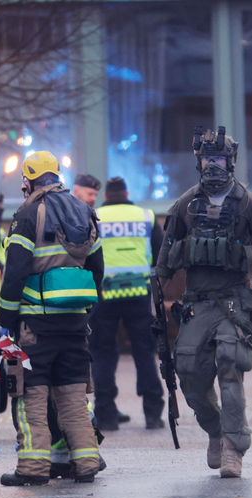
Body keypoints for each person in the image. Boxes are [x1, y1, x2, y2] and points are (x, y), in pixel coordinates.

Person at [155, 126, 252, 479]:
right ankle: (216, 431)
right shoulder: (186, 204)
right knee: (189, 376)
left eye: (218, 159)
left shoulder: (248, 204)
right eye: (206, 159)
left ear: (230, 162)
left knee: (230, 368)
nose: (212, 166)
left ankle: (233, 447)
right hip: (197, 303)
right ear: (198, 162)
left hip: (235, 302)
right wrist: (154, 293)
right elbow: (167, 256)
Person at [0, 150, 104, 486]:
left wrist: (6, 318)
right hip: (74, 323)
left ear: (28, 181)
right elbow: (97, 269)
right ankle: (86, 464)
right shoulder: (85, 211)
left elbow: (14, 272)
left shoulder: (28, 214)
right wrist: (84, 309)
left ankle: (32, 469)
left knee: (31, 399)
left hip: (35, 326)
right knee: (73, 397)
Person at [88, 176, 165, 431]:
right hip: (138, 293)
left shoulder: (94, 216)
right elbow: (160, 253)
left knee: (103, 354)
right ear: (127, 193)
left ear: (106, 196)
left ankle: (107, 414)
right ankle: (153, 413)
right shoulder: (146, 216)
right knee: (144, 352)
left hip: (104, 295)